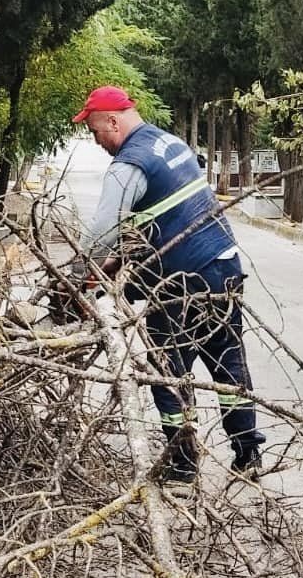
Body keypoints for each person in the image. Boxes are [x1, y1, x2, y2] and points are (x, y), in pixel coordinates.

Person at [72, 85, 266, 484]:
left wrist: (76, 278)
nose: (96, 141)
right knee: (228, 366)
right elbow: (163, 223)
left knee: (168, 373)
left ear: (113, 121)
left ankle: (182, 465)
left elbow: (101, 234)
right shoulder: (169, 143)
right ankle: (248, 454)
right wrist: (113, 268)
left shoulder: (130, 163)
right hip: (223, 270)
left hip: (180, 284)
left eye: (95, 131)